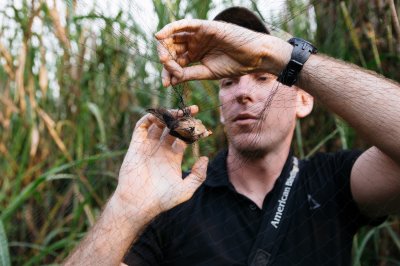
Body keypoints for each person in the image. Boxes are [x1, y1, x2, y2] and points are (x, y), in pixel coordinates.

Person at [64, 7, 400, 266]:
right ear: (221, 107)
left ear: (304, 99)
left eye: (263, 76)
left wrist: (287, 57)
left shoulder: (333, 182)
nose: (242, 93)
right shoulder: (175, 196)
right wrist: (125, 208)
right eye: (228, 82)